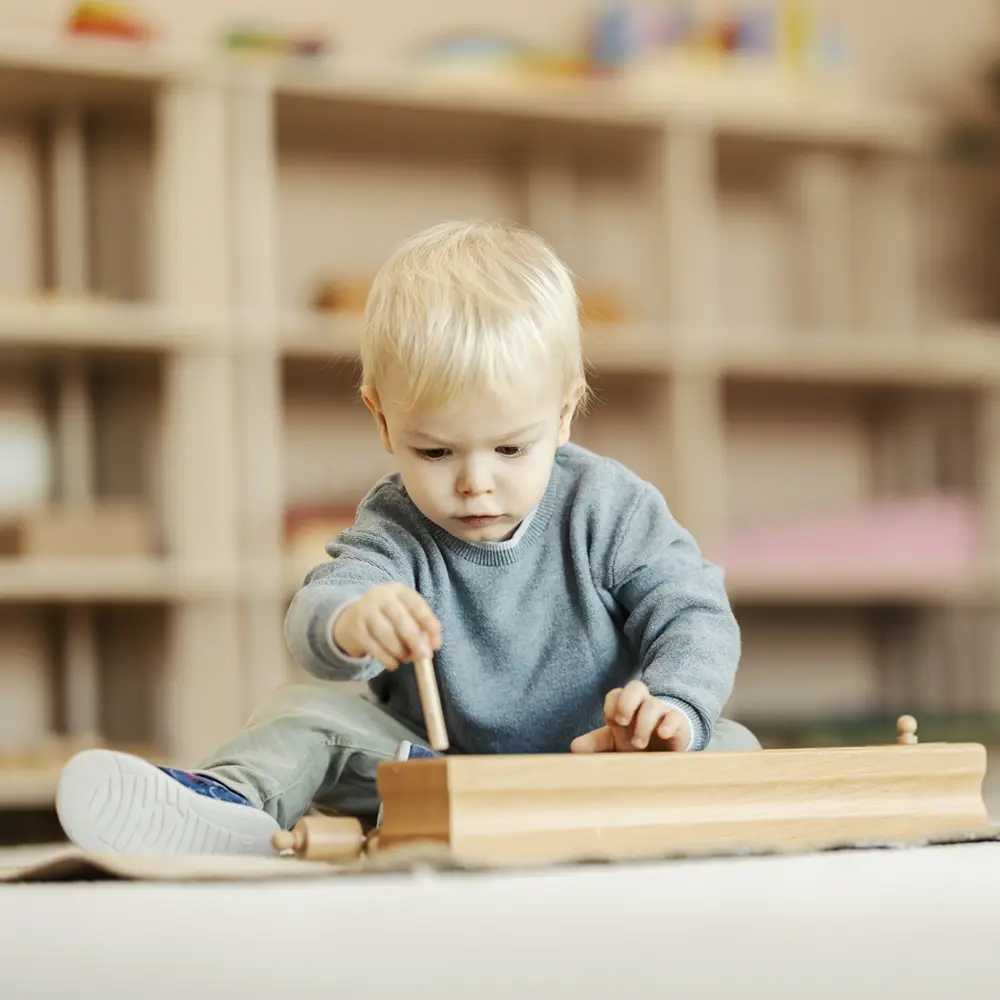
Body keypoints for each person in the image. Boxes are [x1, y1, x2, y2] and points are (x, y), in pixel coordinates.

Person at [55, 219, 759, 856]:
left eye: (511, 450)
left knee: (730, 745)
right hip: (436, 780)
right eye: (436, 453)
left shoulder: (610, 506)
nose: (475, 484)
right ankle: (225, 805)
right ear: (383, 422)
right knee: (304, 712)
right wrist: (353, 621)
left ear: (565, 413)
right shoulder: (394, 524)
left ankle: (663, 804)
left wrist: (671, 708)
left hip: (598, 769)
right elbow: (317, 613)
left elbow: (693, 611)